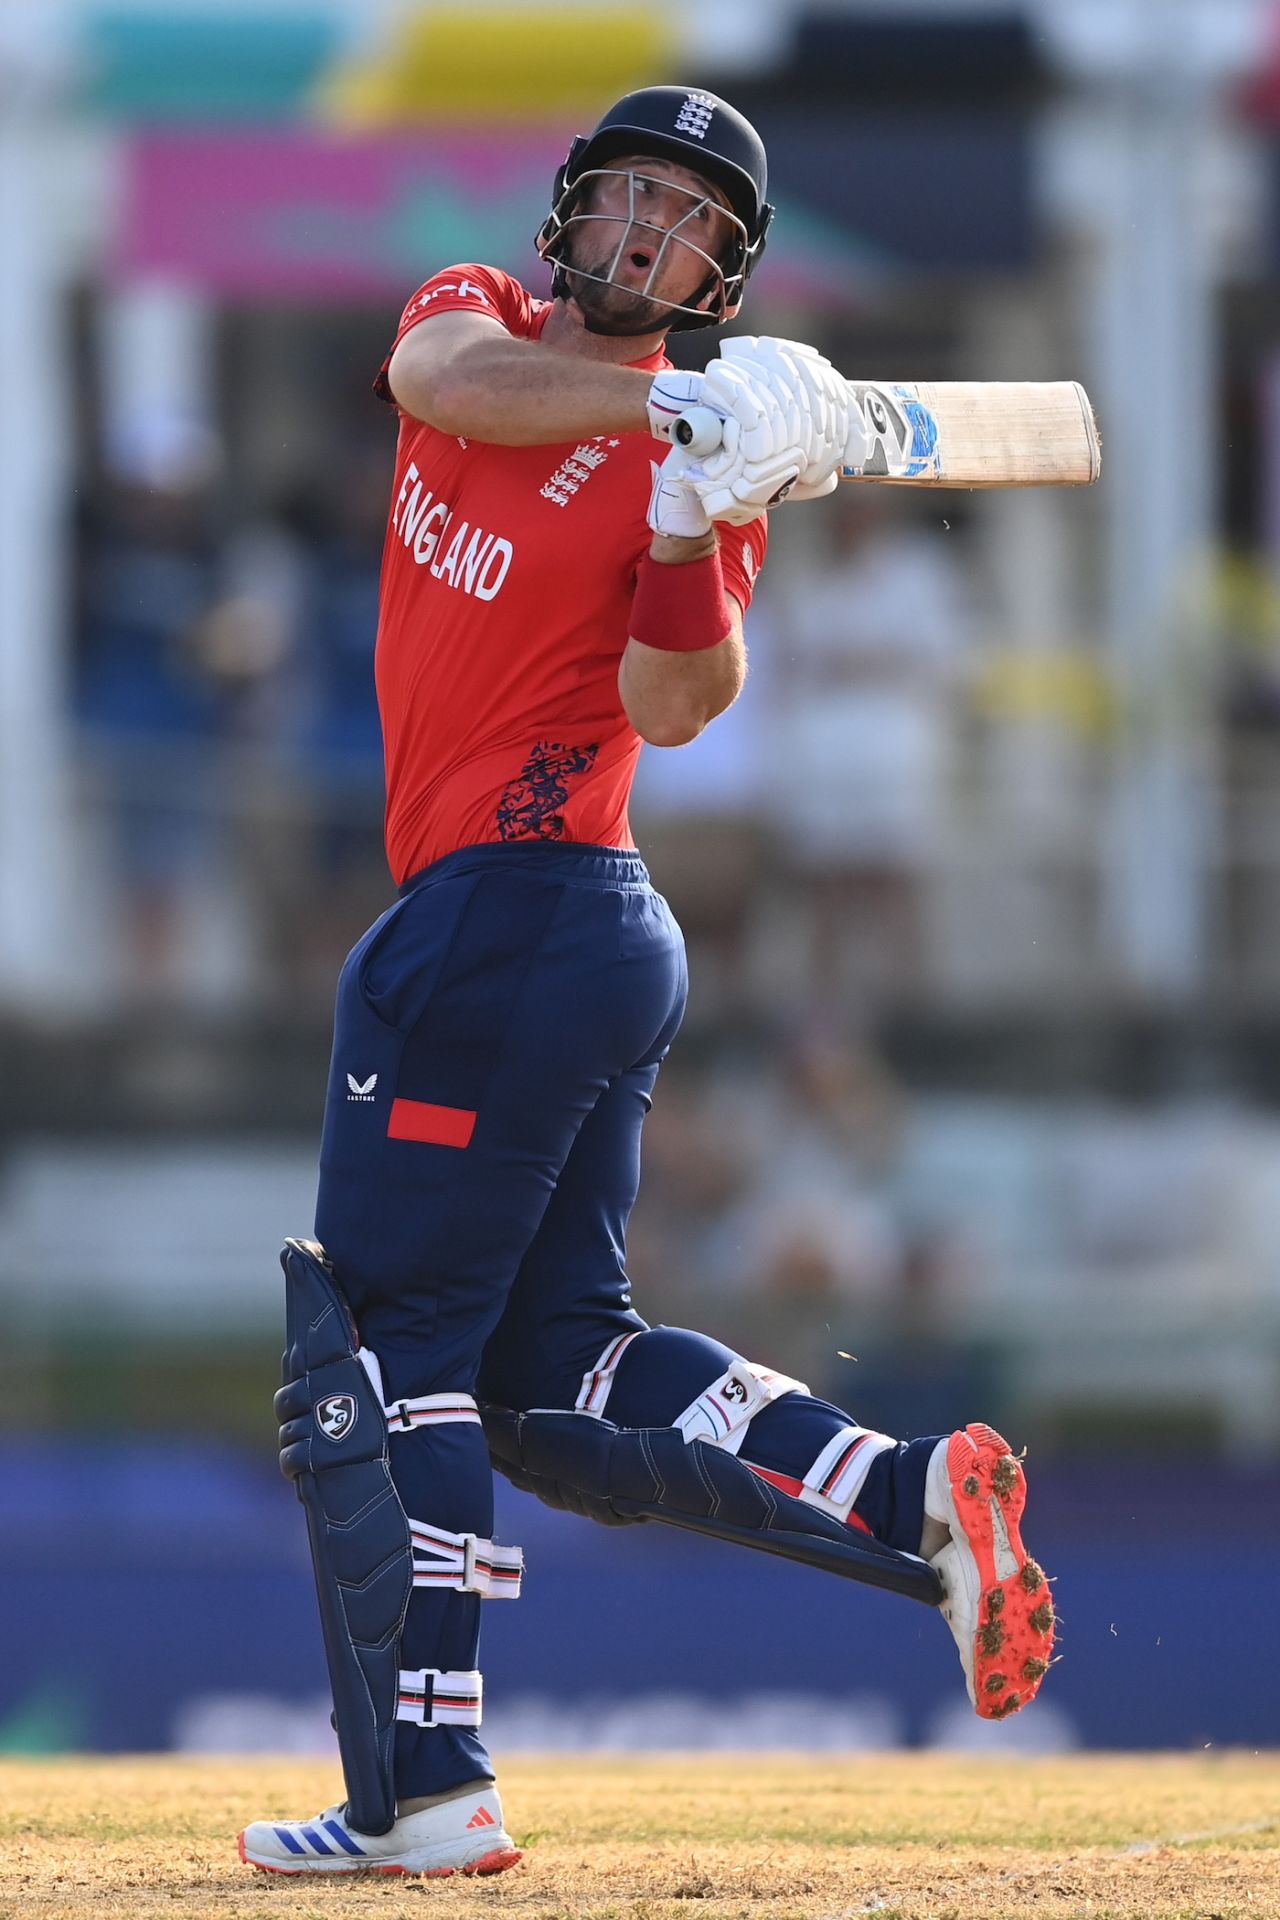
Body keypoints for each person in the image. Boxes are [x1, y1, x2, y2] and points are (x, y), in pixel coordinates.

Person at [238, 85, 1055, 1880]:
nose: (641, 236)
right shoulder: (481, 317)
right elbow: (447, 387)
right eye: (624, 196)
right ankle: (907, 1492)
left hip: (527, 910)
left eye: (685, 224)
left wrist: (694, 513)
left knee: (380, 1360)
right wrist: (670, 401)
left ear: (722, 272)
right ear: (567, 208)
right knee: (555, 1382)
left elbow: (679, 705)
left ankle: (424, 1791)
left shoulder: (725, 459)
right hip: (553, 936)